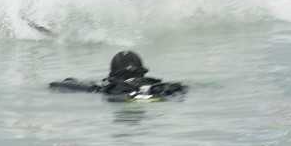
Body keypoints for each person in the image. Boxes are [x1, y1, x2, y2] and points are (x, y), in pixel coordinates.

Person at [49, 50, 188, 101]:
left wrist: (71, 80)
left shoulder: (106, 89)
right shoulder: (160, 86)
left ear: (113, 73)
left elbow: (55, 84)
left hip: (125, 98)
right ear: (143, 70)